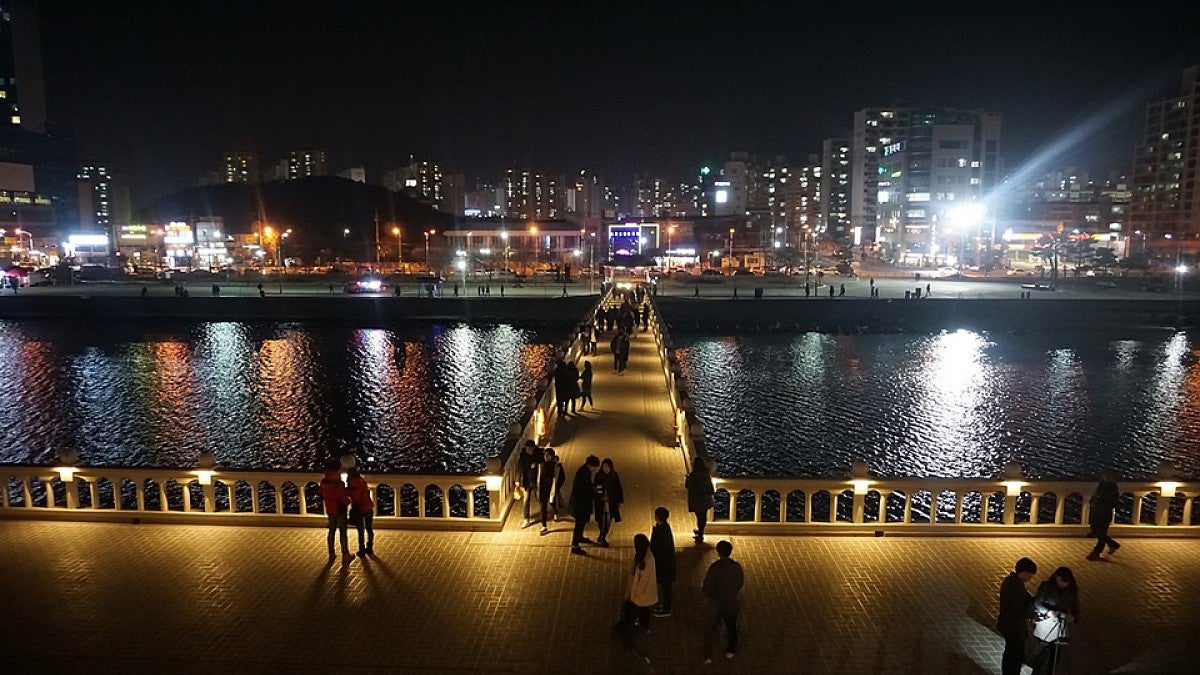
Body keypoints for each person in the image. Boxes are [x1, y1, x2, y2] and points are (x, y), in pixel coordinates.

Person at [1030, 567, 1079, 675]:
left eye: (1066, 582)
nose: (1063, 584)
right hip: (1046, 624)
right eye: (1061, 581)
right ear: (1056, 577)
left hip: (1060, 626)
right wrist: (1048, 612)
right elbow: (1037, 603)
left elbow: (1075, 607)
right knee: (1044, 653)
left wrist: (1073, 617)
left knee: (1055, 655)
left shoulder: (1071, 590)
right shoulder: (1046, 586)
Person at [702, 540, 745, 664]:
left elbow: (708, 586)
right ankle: (731, 649)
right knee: (731, 626)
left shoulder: (715, 568)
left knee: (710, 628)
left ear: (718, 552)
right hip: (731, 602)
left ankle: (707, 655)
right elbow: (740, 582)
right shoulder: (736, 566)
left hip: (716, 604)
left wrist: (709, 596)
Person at [618, 533, 658, 662]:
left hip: (640, 595)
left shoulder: (648, 559)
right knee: (644, 610)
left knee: (631, 615)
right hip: (640, 595)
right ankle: (644, 626)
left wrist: (633, 595)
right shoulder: (642, 556)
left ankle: (629, 642)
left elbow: (643, 581)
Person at [997, 557, 1038, 675]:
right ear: (1024, 572)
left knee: (1013, 652)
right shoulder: (1013, 586)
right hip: (1012, 626)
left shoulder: (1014, 582)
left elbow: (1026, 598)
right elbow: (1018, 607)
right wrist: (1033, 614)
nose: (1030, 578)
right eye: (1030, 576)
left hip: (1009, 625)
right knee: (1014, 654)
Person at [319, 460, 354, 566]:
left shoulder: (324, 482)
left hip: (330, 509)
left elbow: (321, 494)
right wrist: (348, 502)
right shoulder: (338, 483)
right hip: (340, 509)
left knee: (331, 531)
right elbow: (342, 497)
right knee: (343, 532)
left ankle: (331, 553)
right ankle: (345, 554)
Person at [569, 455, 601, 555]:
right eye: (595, 467)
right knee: (579, 524)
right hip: (580, 505)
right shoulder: (584, 473)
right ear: (591, 465)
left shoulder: (583, 471)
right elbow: (584, 490)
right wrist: (595, 491)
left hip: (580, 504)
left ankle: (580, 537)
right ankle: (575, 546)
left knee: (581, 524)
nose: (596, 470)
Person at [1087, 473, 1121, 561]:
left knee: (1101, 532)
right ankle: (1112, 544)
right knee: (1096, 531)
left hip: (1104, 513)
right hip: (1097, 511)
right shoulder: (1102, 484)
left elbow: (1113, 502)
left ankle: (1096, 552)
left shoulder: (1112, 487)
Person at [650, 506, 677, 617]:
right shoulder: (664, 528)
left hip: (664, 564)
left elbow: (658, 547)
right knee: (666, 587)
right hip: (666, 563)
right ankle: (666, 607)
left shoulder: (661, 530)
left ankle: (666, 609)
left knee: (666, 587)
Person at [594, 458, 624, 547]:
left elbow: (618, 488)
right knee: (601, 520)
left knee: (608, 520)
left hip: (611, 503)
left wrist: (620, 500)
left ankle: (603, 535)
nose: (605, 468)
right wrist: (600, 496)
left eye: (607, 467)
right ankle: (602, 535)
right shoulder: (599, 476)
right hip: (601, 503)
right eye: (604, 466)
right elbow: (596, 488)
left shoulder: (614, 476)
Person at [536, 447, 565, 534]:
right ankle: (544, 525)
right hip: (542, 489)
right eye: (545, 455)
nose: (546, 457)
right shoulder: (541, 464)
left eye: (548, 455)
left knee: (552, 502)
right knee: (543, 507)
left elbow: (562, 478)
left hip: (552, 488)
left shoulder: (556, 466)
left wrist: (557, 487)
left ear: (552, 456)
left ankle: (556, 512)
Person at [346, 467, 375, 557]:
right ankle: (369, 548)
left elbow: (355, 495)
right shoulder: (362, 481)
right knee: (369, 529)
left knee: (361, 530)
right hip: (368, 507)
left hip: (359, 509)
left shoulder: (352, 483)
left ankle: (362, 550)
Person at [686, 459, 716, 543]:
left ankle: (700, 534)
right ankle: (701, 532)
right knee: (703, 517)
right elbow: (711, 489)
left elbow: (687, 486)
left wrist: (688, 477)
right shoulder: (706, 475)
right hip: (705, 500)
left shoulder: (693, 475)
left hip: (696, 500)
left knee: (699, 517)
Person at [517, 440, 541, 528]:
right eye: (527, 448)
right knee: (526, 501)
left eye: (530, 448)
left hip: (536, 482)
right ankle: (526, 519)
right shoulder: (523, 457)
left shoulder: (538, 455)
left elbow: (542, 462)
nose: (529, 450)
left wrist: (536, 463)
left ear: (534, 448)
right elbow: (519, 469)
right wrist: (518, 480)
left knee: (540, 499)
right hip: (527, 482)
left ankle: (544, 513)